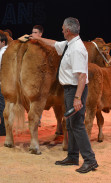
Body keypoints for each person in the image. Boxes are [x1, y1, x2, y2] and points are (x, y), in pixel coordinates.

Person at [30, 17, 98, 173]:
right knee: (70, 124)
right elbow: (54, 44)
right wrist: (38, 39)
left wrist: (77, 98)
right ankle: (73, 156)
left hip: (75, 90)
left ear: (68, 30)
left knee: (77, 126)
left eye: (62, 28)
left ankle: (90, 160)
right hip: (69, 90)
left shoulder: (77, 49)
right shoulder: (69, 44)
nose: (61, 30)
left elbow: (81, 76)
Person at [32, 25, 44, 127]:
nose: (33, 34)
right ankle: (33, 117)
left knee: (39, 98)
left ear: (40, 34)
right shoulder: (31, 44)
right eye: (32, 32)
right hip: (32, 75)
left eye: (35, 32)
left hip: (41, 76)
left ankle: (38, 119)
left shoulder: (44, 44)